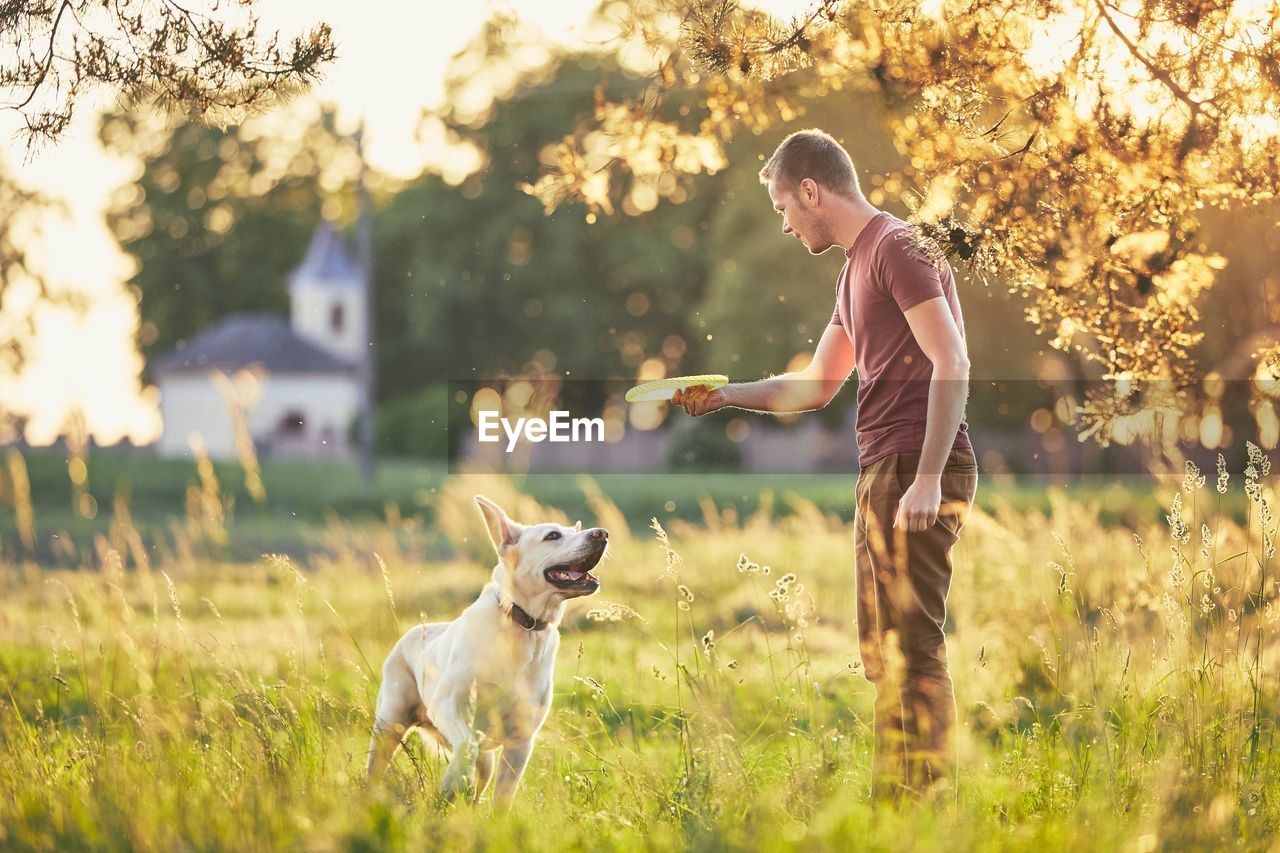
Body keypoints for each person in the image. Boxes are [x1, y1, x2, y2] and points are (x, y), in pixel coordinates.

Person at [672, 128, 978, 802]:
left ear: (810, 190)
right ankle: (894, 796)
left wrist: (927, 475)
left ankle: (922, 804)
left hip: (916, 462)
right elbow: (814, 386)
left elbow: (951, 359)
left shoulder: (897, 247)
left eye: (783, 205)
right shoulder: (853, 271)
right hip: (884, 468)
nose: (782, 222)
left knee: (914, 643)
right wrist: (724, 394)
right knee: (882, 649)